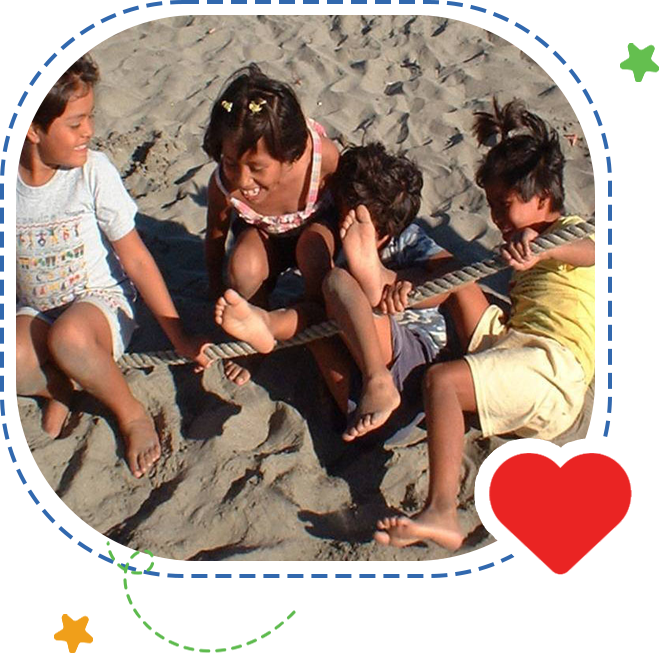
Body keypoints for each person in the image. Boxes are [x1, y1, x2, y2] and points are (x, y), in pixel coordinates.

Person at [374, 99, 606, 550]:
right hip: (513, 341)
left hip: (553, 373)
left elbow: (600, 249)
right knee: (459, 281)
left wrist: (545, 247)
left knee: (442, 382)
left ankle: (442, 511)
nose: (497, 219)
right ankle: (397, 291)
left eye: (506, 206)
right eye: (492, 208)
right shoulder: (519, 245)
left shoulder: (570, 232)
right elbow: (467, 282)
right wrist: (413, 290)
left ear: (543, 199)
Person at [16, 54, 211, 480]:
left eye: (90, 118)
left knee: (70, 336)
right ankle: (61, 386)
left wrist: (176, 333)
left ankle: (130, 412)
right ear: (31, 129)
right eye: (75, 123)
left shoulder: (92, 172)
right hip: (37, 307)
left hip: (100, 304)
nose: (89, 131)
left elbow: (136, 256)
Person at [215, 143, 453, 442]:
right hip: (361, 411)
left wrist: (399, 280)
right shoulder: (334, 242)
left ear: (383, 232)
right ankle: (266, 323)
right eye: (340, 216)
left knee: (337, 283)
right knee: (316, 312)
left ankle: (376, 366)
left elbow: (455, 274)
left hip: (410, 373)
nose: (340, 225)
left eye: (347, 220)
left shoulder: (408, 240)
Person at [203, 64, 340, 385]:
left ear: (290, 156)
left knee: (312, 250)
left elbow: (350, 207)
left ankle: (316, 325)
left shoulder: (321, 161)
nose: (242, 178)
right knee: (243, 269)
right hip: (267, 238)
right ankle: (256, 325)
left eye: (257, 167)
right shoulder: (224, 185)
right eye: (230, 162)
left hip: (317, 231)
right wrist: (215, 286)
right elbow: (215, 235)